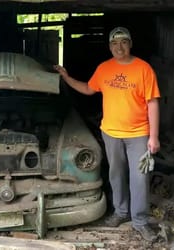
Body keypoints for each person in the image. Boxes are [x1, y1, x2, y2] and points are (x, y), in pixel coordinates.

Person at [54, 26, 160, 242]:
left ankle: (140, 221)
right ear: (110, 46)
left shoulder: (144, 69)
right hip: (110, 133)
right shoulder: (104, 68)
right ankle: (120, 213)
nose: (119, 47)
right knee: (116, 174)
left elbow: (153, 102)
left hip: (138, 133)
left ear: (130, 44)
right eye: (114, 43)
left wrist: (154, 136)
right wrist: (66, 78)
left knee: (139, 177)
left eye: (123, 42)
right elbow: (88, 89)